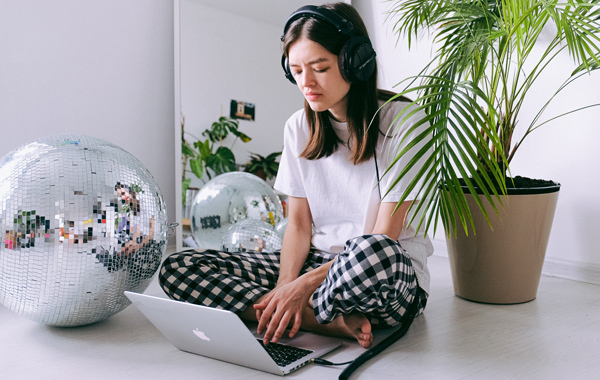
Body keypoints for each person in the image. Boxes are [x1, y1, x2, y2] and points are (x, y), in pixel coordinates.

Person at [159, 2, 433, 349]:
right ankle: (319, 319)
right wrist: (284, 285)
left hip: (381, 273)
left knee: (373, 249)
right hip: (317, 264)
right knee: (180, 267)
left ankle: (295, 310)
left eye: (320, 68)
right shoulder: (298, 127)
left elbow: (385, 236)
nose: (307, 82)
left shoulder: (405, 121)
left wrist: (300, 288)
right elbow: (299, 226)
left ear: (356, 62)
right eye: (297, 71)